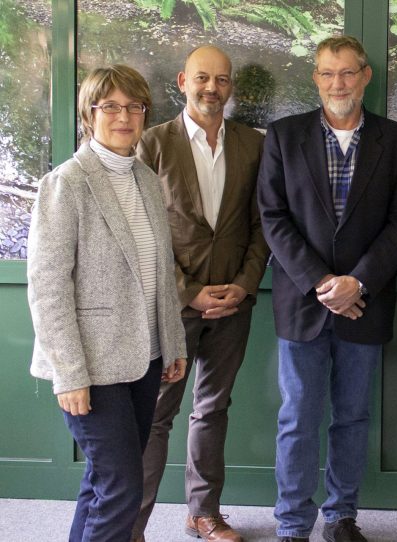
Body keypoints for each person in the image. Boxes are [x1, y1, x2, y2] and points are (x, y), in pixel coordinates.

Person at [257, 35, 397, 542]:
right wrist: (322, 282)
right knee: (298, 419)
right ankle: (291, 524)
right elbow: (272, 217)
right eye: (327, 73)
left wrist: (359, 282)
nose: (337, 83)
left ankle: (341, 516)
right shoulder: (283, 137)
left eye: (347, 73)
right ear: (315, 77)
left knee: (352, 417)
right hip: (303, 303)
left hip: (364, 303)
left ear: (365, 75)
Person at [27, 65, 188, 542]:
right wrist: (69, 372)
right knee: (121, 487)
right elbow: (48, 287)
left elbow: (159, 270)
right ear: (89, 114)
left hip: (144, 358)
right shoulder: (66, 183)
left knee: (105, 482)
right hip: (92, 366)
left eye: (134, 107)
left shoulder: (144, 178)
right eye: (110, 107)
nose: (124, 117)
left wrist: (172, 342)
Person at [131, 46, 269, 542]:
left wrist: (245, 285)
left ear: (231, 87)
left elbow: (262, 226)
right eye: (203, 78)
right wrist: (188, 292)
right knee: (155, 415)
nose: (213, 88)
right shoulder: (152, 144)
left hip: (234, 305)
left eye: (222, 80)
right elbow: (140, 231)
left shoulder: (255, 145)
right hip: (172, 306)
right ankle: (133, 523)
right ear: (183, 81)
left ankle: (202, 513)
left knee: (213, 408)